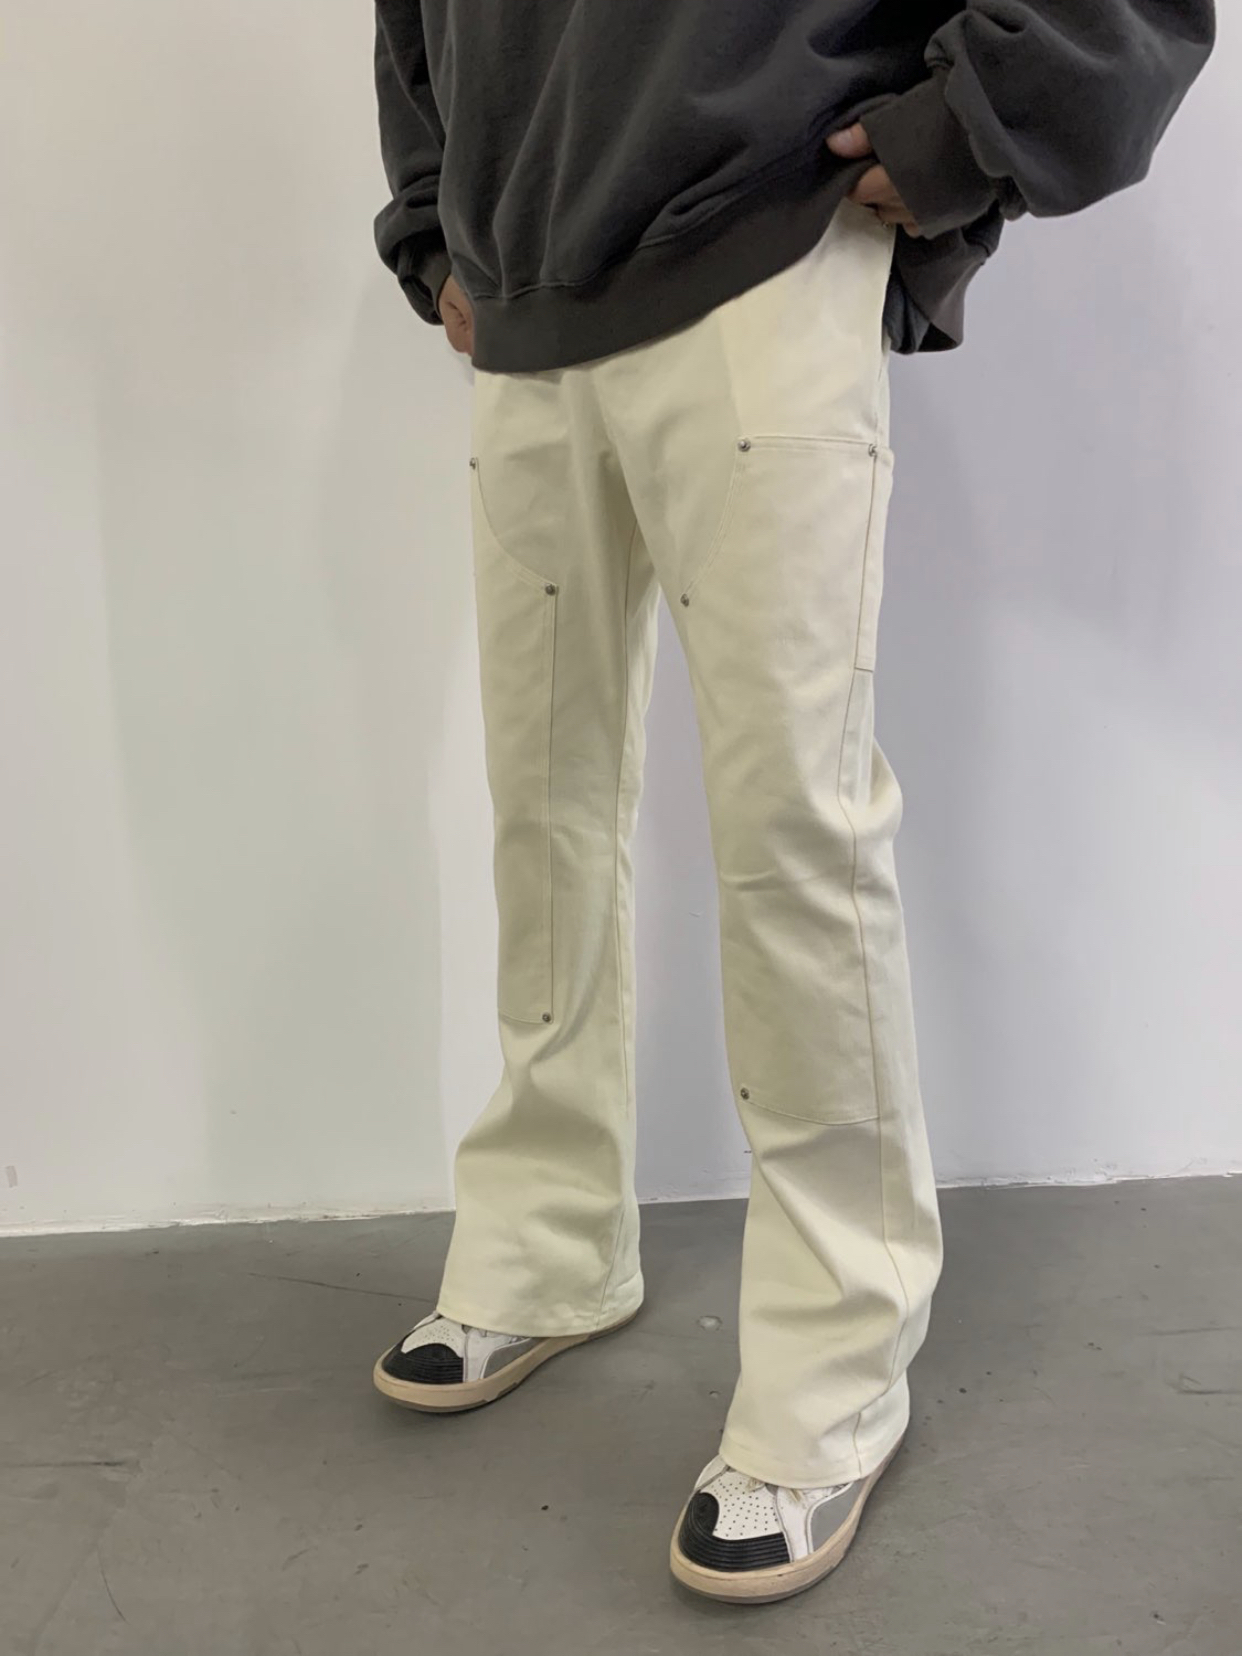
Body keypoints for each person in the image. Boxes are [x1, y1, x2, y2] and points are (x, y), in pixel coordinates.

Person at [369, 0, 1213, 1604]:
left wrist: (957, 134)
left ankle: (836, 1353)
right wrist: (430, 218)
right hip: (524, 288)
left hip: (753, 242)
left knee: (789, 827)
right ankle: (547, 1241)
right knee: (540, 809)